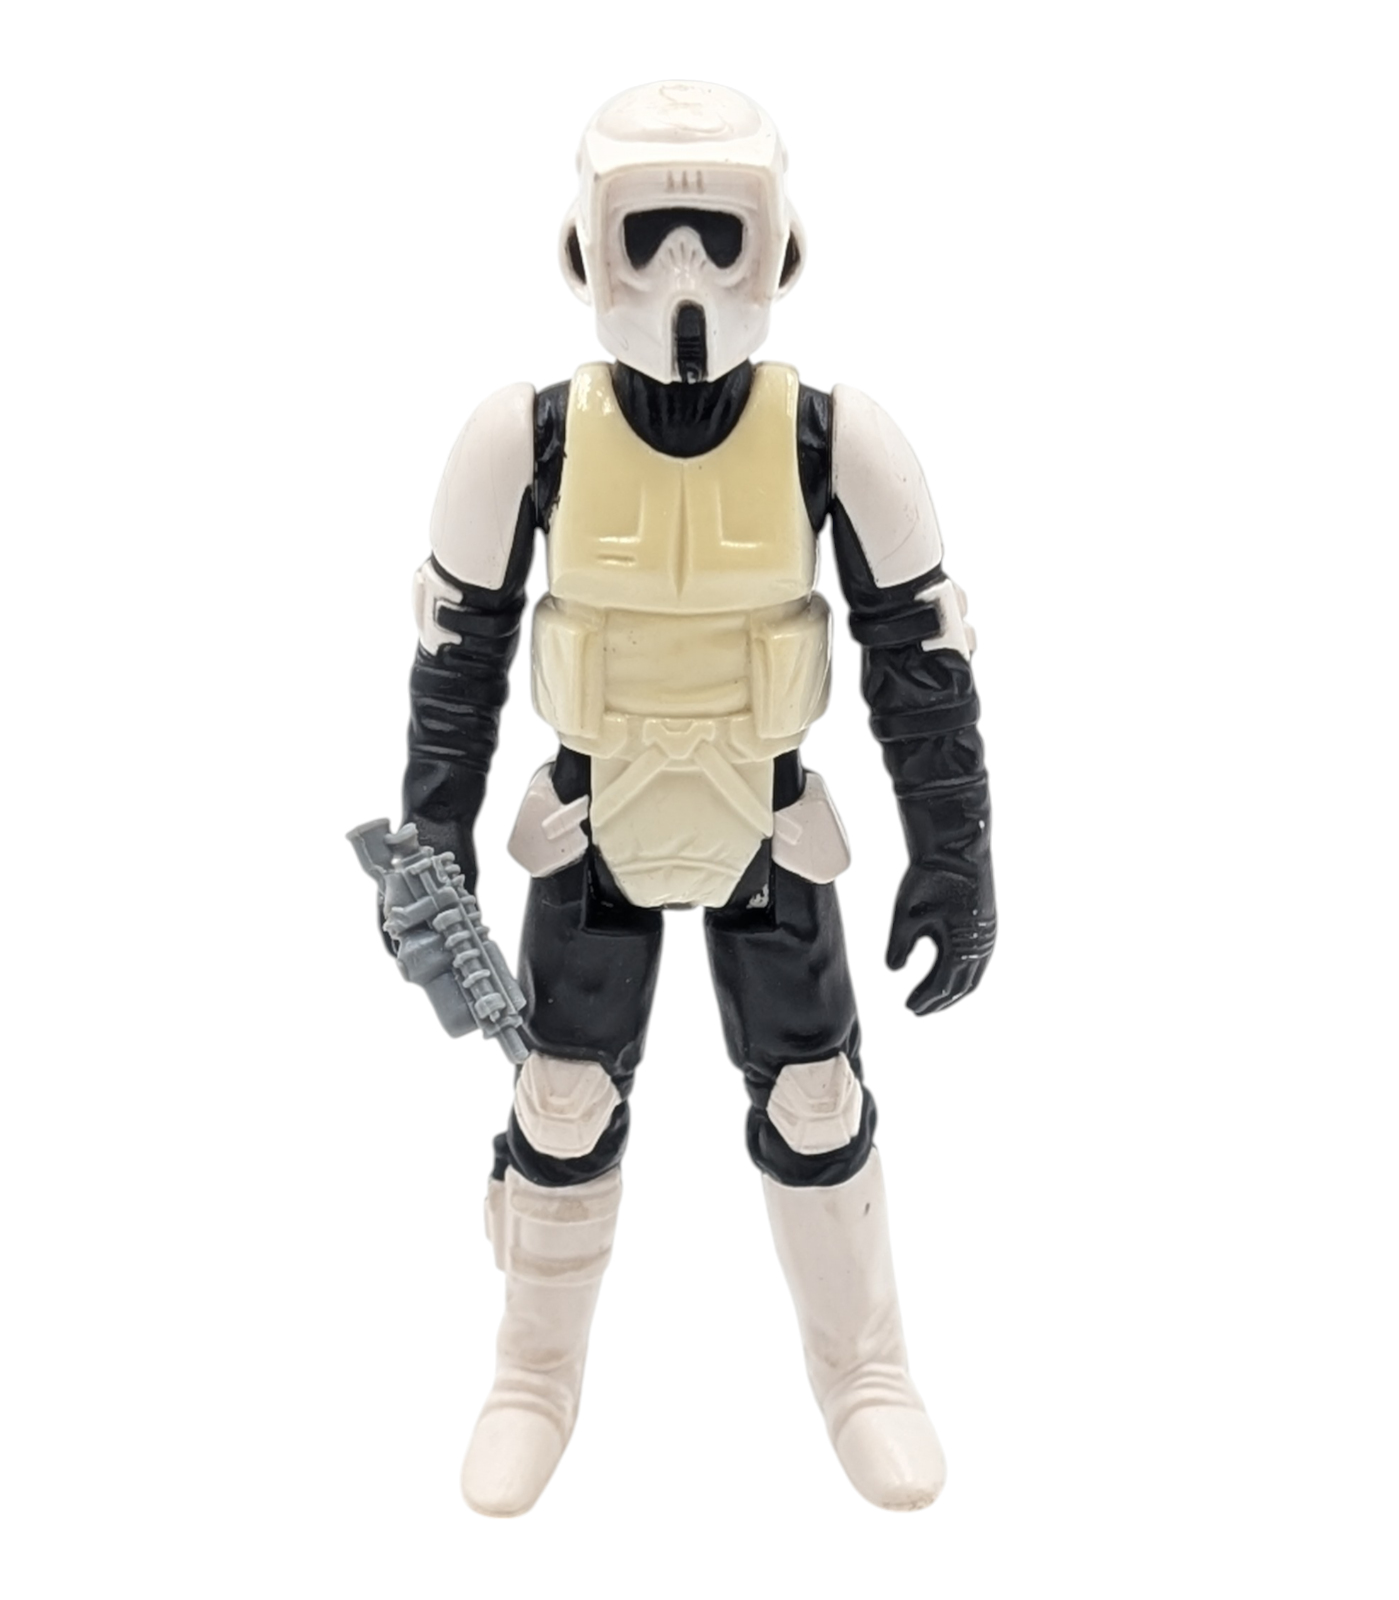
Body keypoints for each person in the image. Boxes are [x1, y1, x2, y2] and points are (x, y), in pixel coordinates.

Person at [394, 80, 995, 1515]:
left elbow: (920, 661)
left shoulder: (837, 440)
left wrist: (955, 851)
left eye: (716, 233)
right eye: (647, 230)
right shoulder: (522, 442)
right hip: (587, 826)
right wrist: (432, 843)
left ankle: (867, 1373)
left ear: (778, 246)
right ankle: (532, 1377)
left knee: (816, 1102)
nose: (682, 274)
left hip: (769, 823)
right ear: (583, 245)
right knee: (558, 1106)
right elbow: (455, 661)